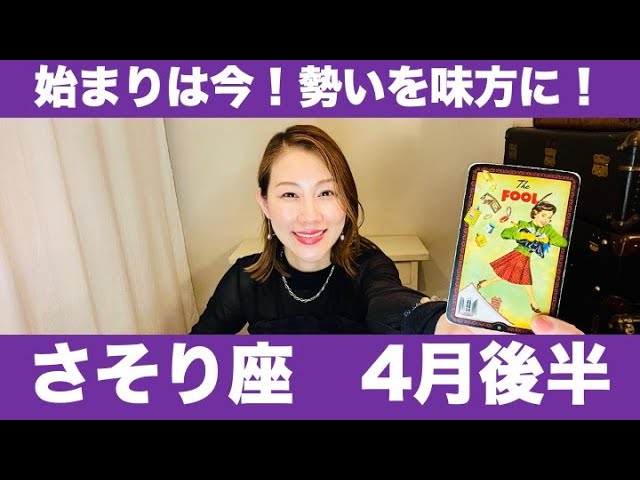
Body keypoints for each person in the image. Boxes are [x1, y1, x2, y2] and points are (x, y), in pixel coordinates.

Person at [190, 125, 582, 335]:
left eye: (326, 192)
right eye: (290, 194)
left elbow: (391, 305)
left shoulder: (369, 265)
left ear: (346, 200)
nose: (309, 216)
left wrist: (446, 326)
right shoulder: (244, 278)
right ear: (264, 202)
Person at [476, 201, 568, 314]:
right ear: (535, 213)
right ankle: (533, 303)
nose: (546, 220)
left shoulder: (547, 229)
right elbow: (504, 234)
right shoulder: (523, 224)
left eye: (549, 217)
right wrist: (523, 235)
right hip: (518, 254)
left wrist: (548, 239)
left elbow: (563, 243)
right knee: (524, 279)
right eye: (543, 215)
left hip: (526, 257)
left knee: (509, 275)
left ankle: (484, 283)